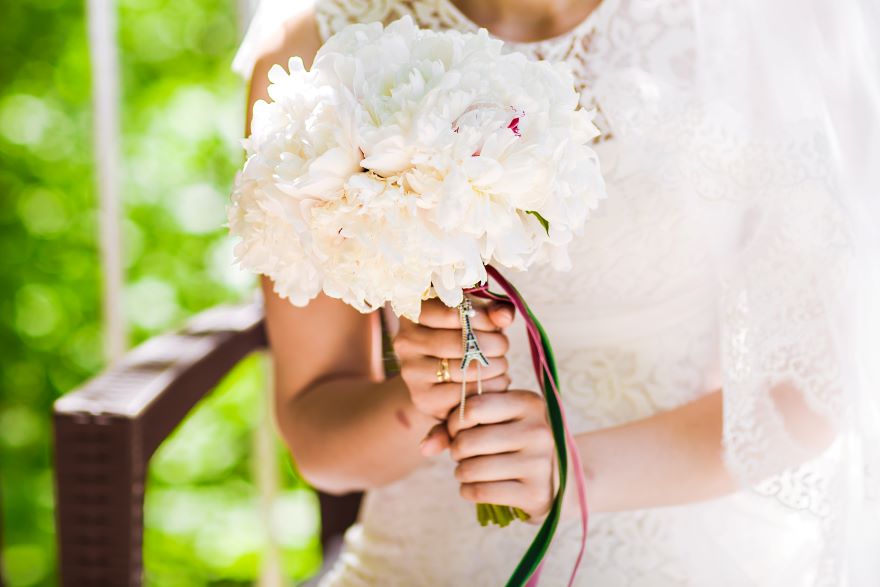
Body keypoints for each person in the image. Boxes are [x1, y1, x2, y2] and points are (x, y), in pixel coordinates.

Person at [233, 0, 880, 584]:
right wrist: (418, 399)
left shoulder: (751, 29)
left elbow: (813, 388)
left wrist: (575, 473)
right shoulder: (319, 50)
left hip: (694, 539)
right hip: (423, 559)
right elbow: (319, 443)